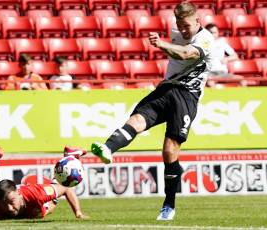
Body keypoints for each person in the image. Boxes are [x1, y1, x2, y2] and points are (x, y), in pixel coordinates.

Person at [90, 2, 214, 221]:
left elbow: (186, 54)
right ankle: (108, 148)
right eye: (179, 25)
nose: (183, 30)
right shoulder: (177, 30)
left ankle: (169, 205)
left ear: (198, 20)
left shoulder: (206, 39)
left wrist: (161, 44)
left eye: (186, 25)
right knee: (137, 119)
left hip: (186, 95)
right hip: (166, 87)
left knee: (168, 151)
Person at [0, 133, 87, 220]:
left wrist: (78, 213)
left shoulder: (37, 194)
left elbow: (66, 188)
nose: (9, 208)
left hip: (40, 203)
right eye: (4, 204)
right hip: (16, 204)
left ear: (19, 194)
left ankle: (69, 157)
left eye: (12, 201)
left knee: (49, 204)